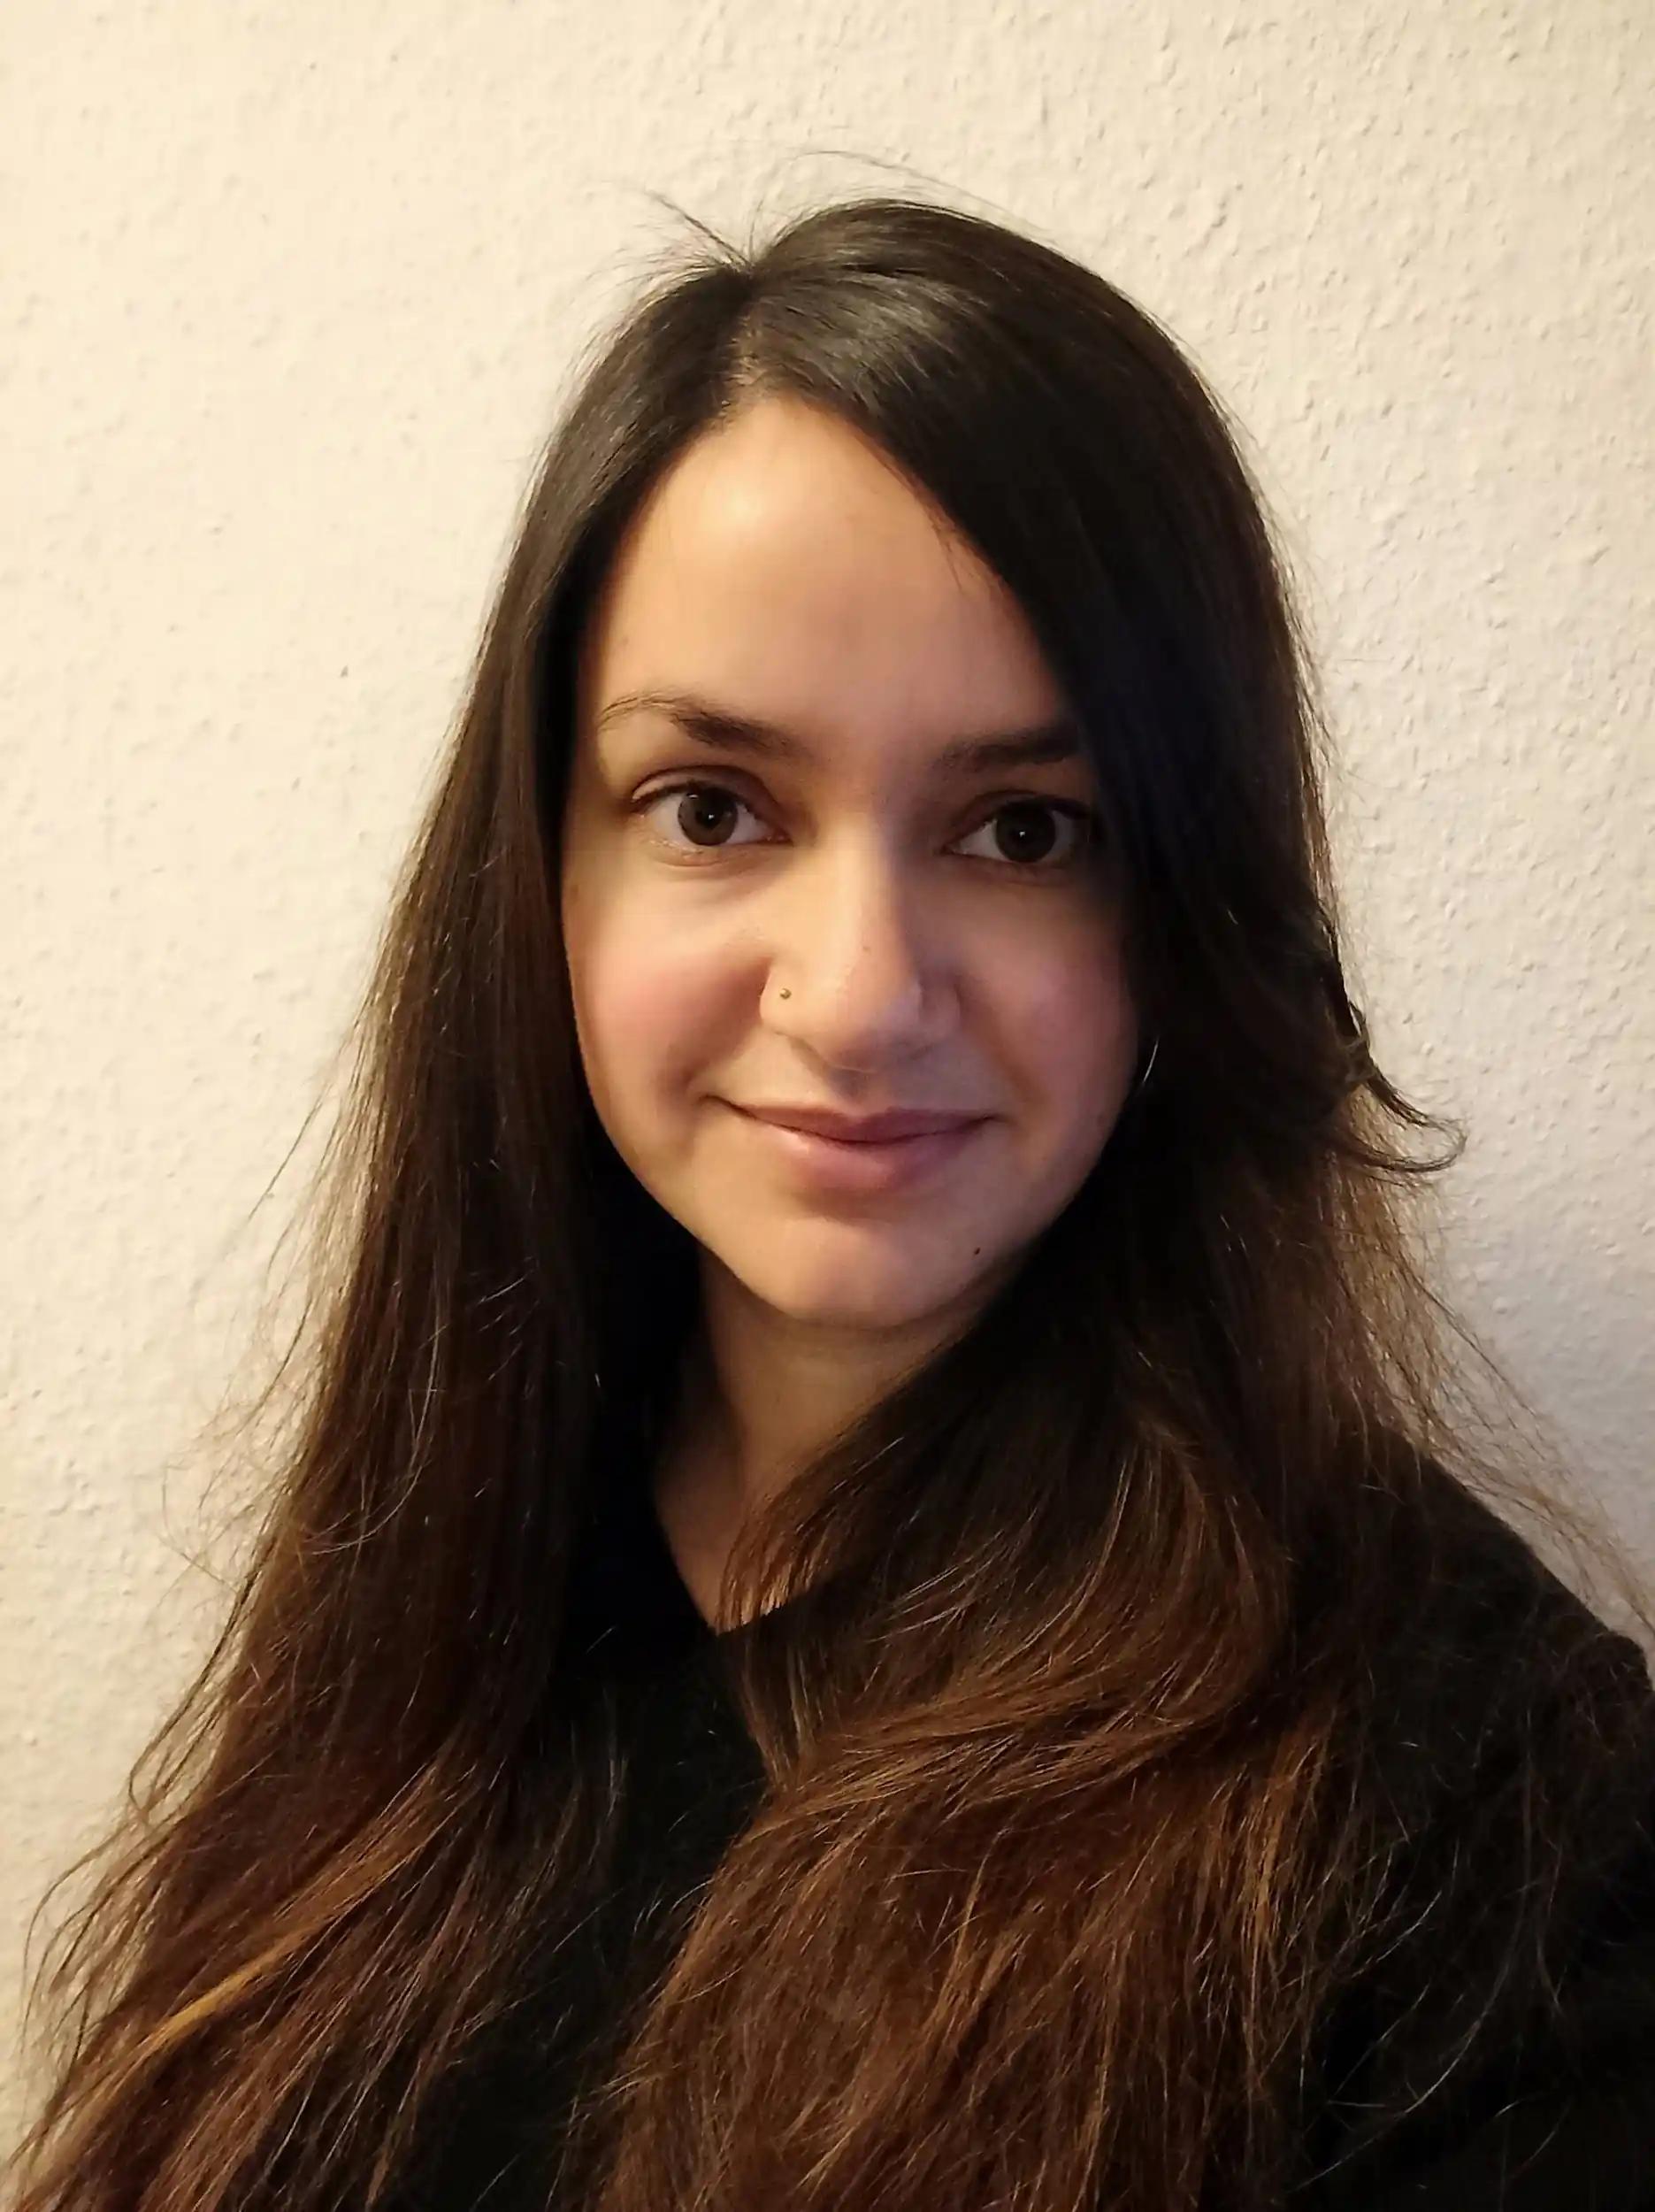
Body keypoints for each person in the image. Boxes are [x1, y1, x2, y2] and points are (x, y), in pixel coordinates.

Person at [11, 193, 1654, 2212]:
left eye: (1025, 828)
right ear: (543, 877)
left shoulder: (1490, 1790)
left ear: (1189, 912)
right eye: (714, 806)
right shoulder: (444, 1564)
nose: (863, 992)